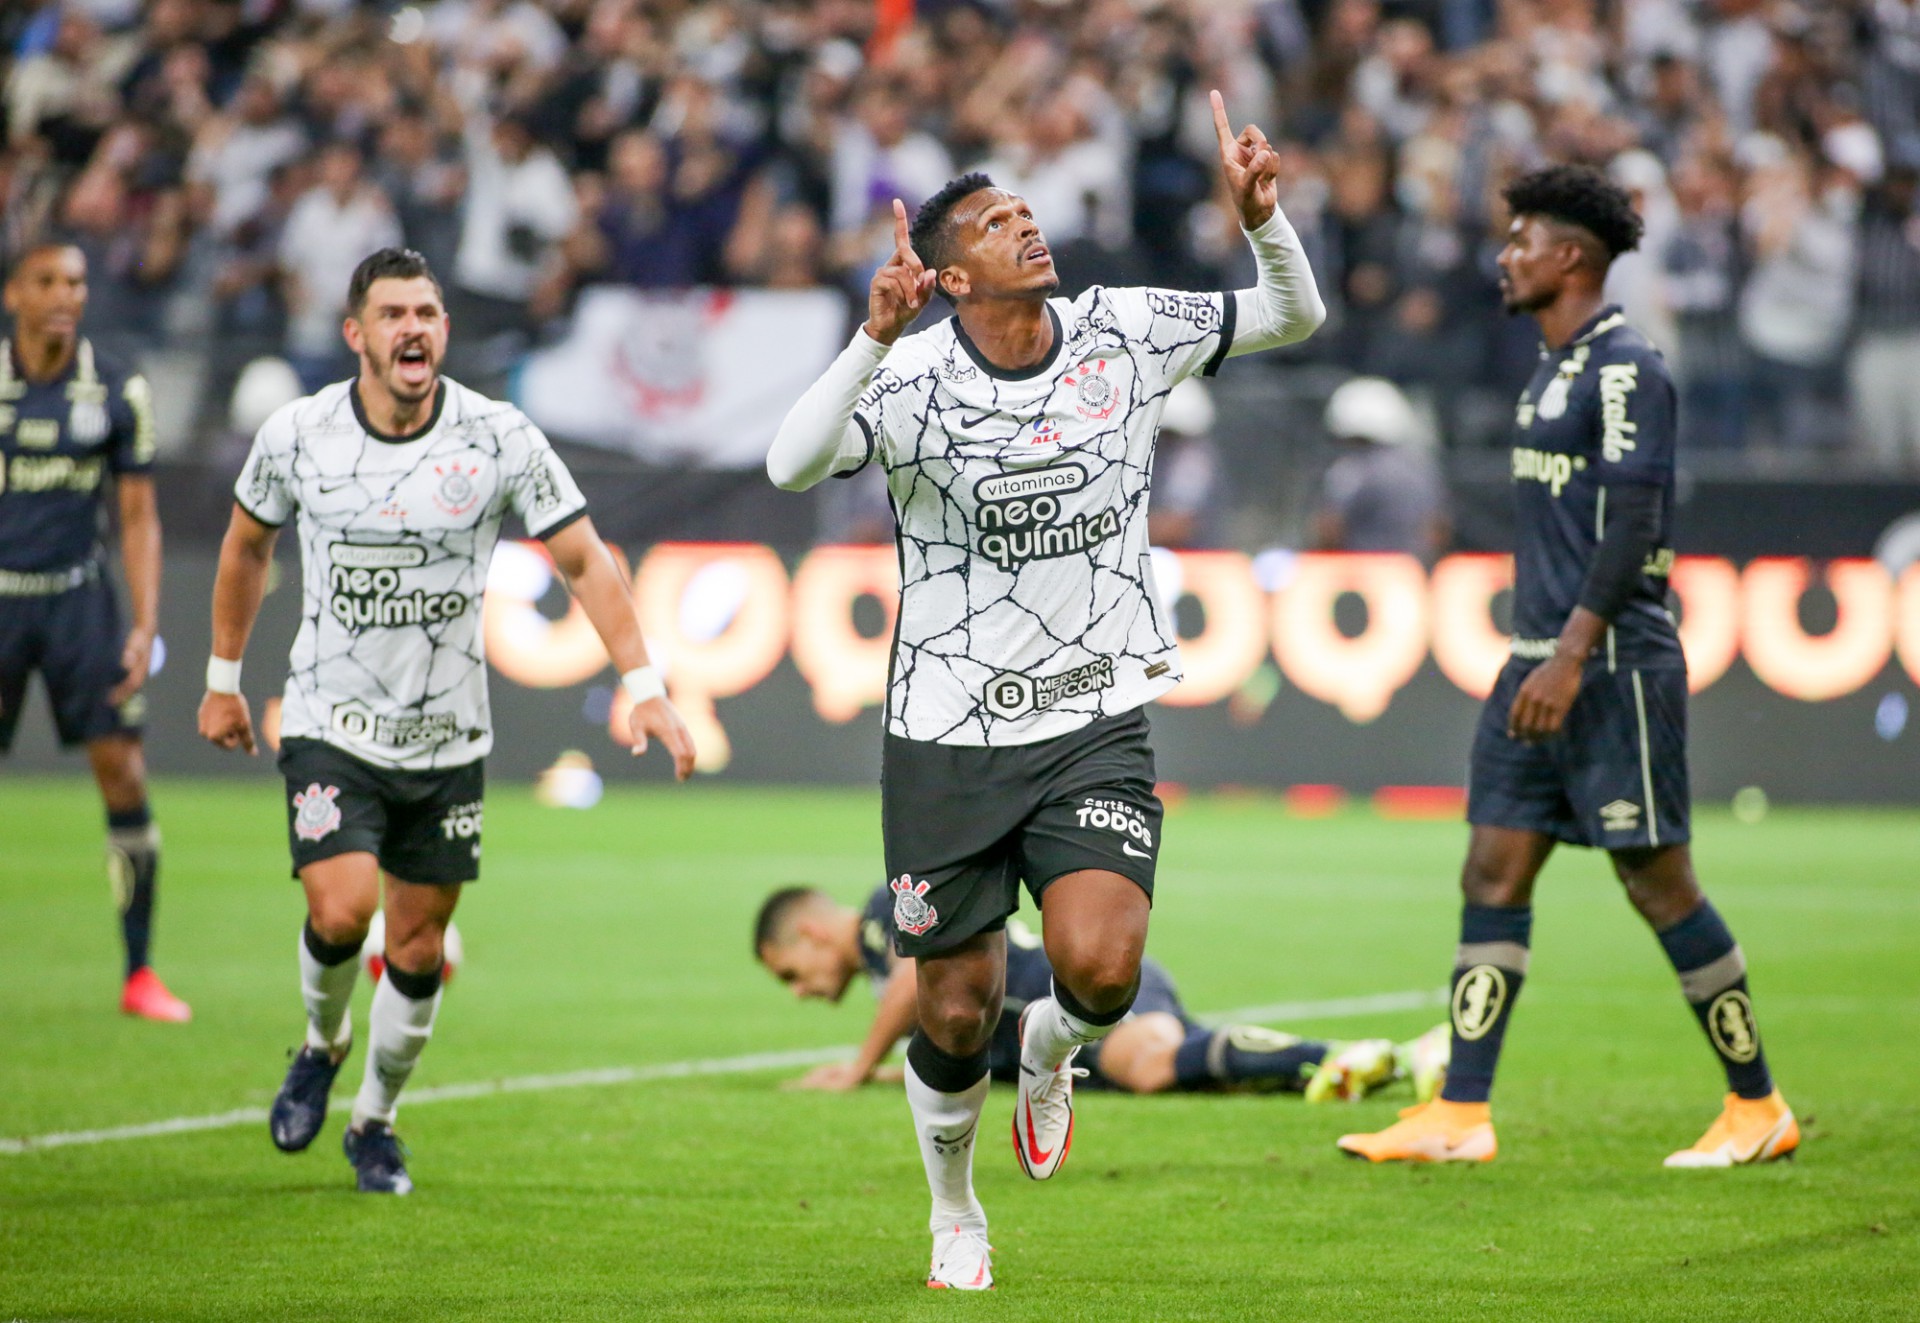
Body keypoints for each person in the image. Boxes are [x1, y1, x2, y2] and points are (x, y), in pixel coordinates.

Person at [766, 93, 1325, 1289]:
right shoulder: (909, 382)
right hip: (944, 734)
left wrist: (1263, 221)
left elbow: (1295, 311)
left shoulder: (1123, 327)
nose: (1027, 226)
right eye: (995, 223)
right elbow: (790, 460)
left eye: (1029, 210)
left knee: (1103, 971)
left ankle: (1057, 1050)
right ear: (951, 276)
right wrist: (869, 337)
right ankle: (955, 1211)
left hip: (1091, 712)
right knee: (955, 1011)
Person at [198, 247, 696, 1196]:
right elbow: (244, 544)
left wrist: (646, 682)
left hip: (447, 736)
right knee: (342, 910)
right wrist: (223, 676)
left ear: (443, 331)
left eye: (426, 312)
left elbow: (586, 561)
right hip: (329, 719)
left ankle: (376, 1121)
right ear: (357, 335)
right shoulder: (298, 434)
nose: (412, 328)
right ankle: (320, 1040)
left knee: (419, 948)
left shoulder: (497, 436)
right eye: (392, 314)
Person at [1337, 166, 1796, 1169]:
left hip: (1611, 666)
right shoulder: (1549, 369)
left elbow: (1635, 522)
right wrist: (1540, 659)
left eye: (1522, 241)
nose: (1505, 257)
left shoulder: (1629, 369)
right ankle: (1461, 1113)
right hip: (1535, 662)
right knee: (1491, 867)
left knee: (1658, 882)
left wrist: (1573, 657)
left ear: (1572, 258)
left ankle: (1757, 1104)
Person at [754, 884, 1448, 1104]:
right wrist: (887, 1070)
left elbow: (912, 980)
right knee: (1184, 1068)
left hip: (1084, 995)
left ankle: (1382, 1053)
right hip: (1071, 1032)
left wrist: (855, 1065)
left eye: (789, 973)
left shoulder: (885, 915)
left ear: (813, 932)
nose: (799, 993)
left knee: (1149, 1063)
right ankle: (1333, 1067)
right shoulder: (882, 946)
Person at [0, 239, 188, 1023]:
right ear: (15, 293)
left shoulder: (116, 384)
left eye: (76, 281)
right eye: (47, 280)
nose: (64, 295)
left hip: (81, 601)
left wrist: (145, 622)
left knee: (126, 777)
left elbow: (138, 514)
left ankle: (139, 973)